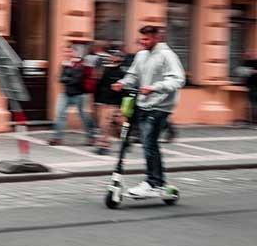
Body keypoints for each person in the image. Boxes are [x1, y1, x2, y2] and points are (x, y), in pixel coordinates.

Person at [112, 25, 185, 198]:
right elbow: (133, 76)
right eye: (142, 39)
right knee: (149, 143)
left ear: (157, 38)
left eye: (147, 39)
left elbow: (178, 79)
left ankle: (153, 183)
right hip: (143, 104)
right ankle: (158, 182)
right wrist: (123, 83)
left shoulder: (167, 55)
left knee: (149, 142)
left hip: (161, 106)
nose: (143, 42)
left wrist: (154, 88)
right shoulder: (141, 55)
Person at [49, 45, 97, 146]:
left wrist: (66, 78)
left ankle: (91, 136)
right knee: (59, 114)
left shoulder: (80, 64)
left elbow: (76, 79)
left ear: (74, 52)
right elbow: (60, 78)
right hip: (66, 93)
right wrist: (67, 78)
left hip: (80, 95)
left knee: (84, 116)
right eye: (65, 52)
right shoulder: (64, 64)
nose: (67, 54)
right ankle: (57, 138)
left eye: (69, 52)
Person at [93, 48, 126, 155]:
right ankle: (107, 144)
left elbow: (124, 90)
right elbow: (99, 85)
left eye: (115, 56)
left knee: (110, 124)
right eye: (112, 55)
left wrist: (120, 105)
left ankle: (105, 145)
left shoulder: (122, 73)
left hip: (115, 103)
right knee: (107, 125)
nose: (113, 57)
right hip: (105, 102)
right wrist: (97, 100)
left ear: (120, 59)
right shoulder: (106, 70)